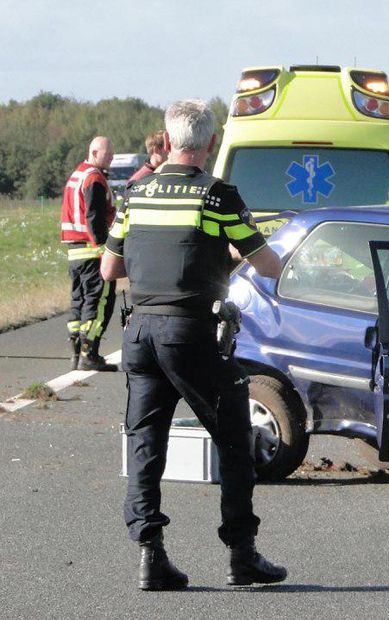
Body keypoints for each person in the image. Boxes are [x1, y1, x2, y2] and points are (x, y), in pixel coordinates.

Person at [100, 99, 287, 591]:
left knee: (145, 444)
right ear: (209, 142)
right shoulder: (217, 195)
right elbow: (267, 264)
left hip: (139, 332)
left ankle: (149, 554)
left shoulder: (136, 191)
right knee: (233, 437)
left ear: (167, 137)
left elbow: (109, 269)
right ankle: (242, 555)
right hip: (191, 332)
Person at [60, 136, 117, 371]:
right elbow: (94, 215)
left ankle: (76, 352)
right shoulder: (94, 178)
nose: (112, 158)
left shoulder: (77, 174)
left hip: (75, 252)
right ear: (94, 152)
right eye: (108, 154)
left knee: (79, 301)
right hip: (92, 251)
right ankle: (88, 353)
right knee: (100, 301)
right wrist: (105, 248)